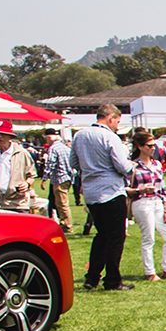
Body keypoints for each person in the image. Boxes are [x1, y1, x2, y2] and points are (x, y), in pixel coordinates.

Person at [69, 103, 136, 291]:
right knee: (115, 237)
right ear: (111, 118)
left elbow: (73, 162)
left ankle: (92, 277)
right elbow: (123, 167)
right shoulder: (110, 137)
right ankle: (112, 280)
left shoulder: (79, 135)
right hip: (111, 191)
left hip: (91, 193)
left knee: (102, 236)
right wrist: (131, 165)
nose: (116, 126)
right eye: (117, 122)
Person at [127, 129, 166, 281]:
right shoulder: (133, 166)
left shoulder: (156, 164)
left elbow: (163, 188)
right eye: (149, 145)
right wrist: (139, 190)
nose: (153, 148)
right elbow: (123, 188)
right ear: (140, 147)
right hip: (142, 202)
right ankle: (150, 272)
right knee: (149, 238)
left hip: (158, 202)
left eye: (154, 145)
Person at [39, 129, 74, 229]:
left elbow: (50, 164)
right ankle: (66, 223)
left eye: (46, 139)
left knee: (62, 204)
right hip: (67, 177)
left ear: (50, 138)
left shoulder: (53, 149)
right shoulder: (65, 148)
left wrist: (44, 178)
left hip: (59, 178)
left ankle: (67, 225)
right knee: (63, 203)